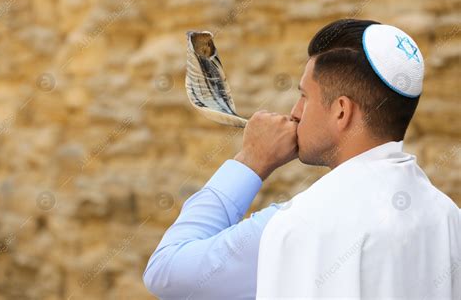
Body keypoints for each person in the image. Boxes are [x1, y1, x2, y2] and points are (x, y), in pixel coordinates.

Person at [143, 19, 460, 299]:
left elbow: (166, 271)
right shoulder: (448, 216)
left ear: (341, 111)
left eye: (304, 97)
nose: (295, 112)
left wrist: (250, 162)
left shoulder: (294, 227)